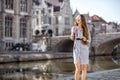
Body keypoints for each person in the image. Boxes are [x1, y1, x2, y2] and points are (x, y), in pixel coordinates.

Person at [71, 15, 91, 80]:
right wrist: (72, 34)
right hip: (76, 48)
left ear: (82, 20)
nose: (78, 20)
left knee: (84, 68)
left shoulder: (86, 29)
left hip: (84, 49)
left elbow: (89, 41)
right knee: (77, 69)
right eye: (77, 18)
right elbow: (72, 38)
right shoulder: (73, 28)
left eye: (79, 18)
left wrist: (85, 39)